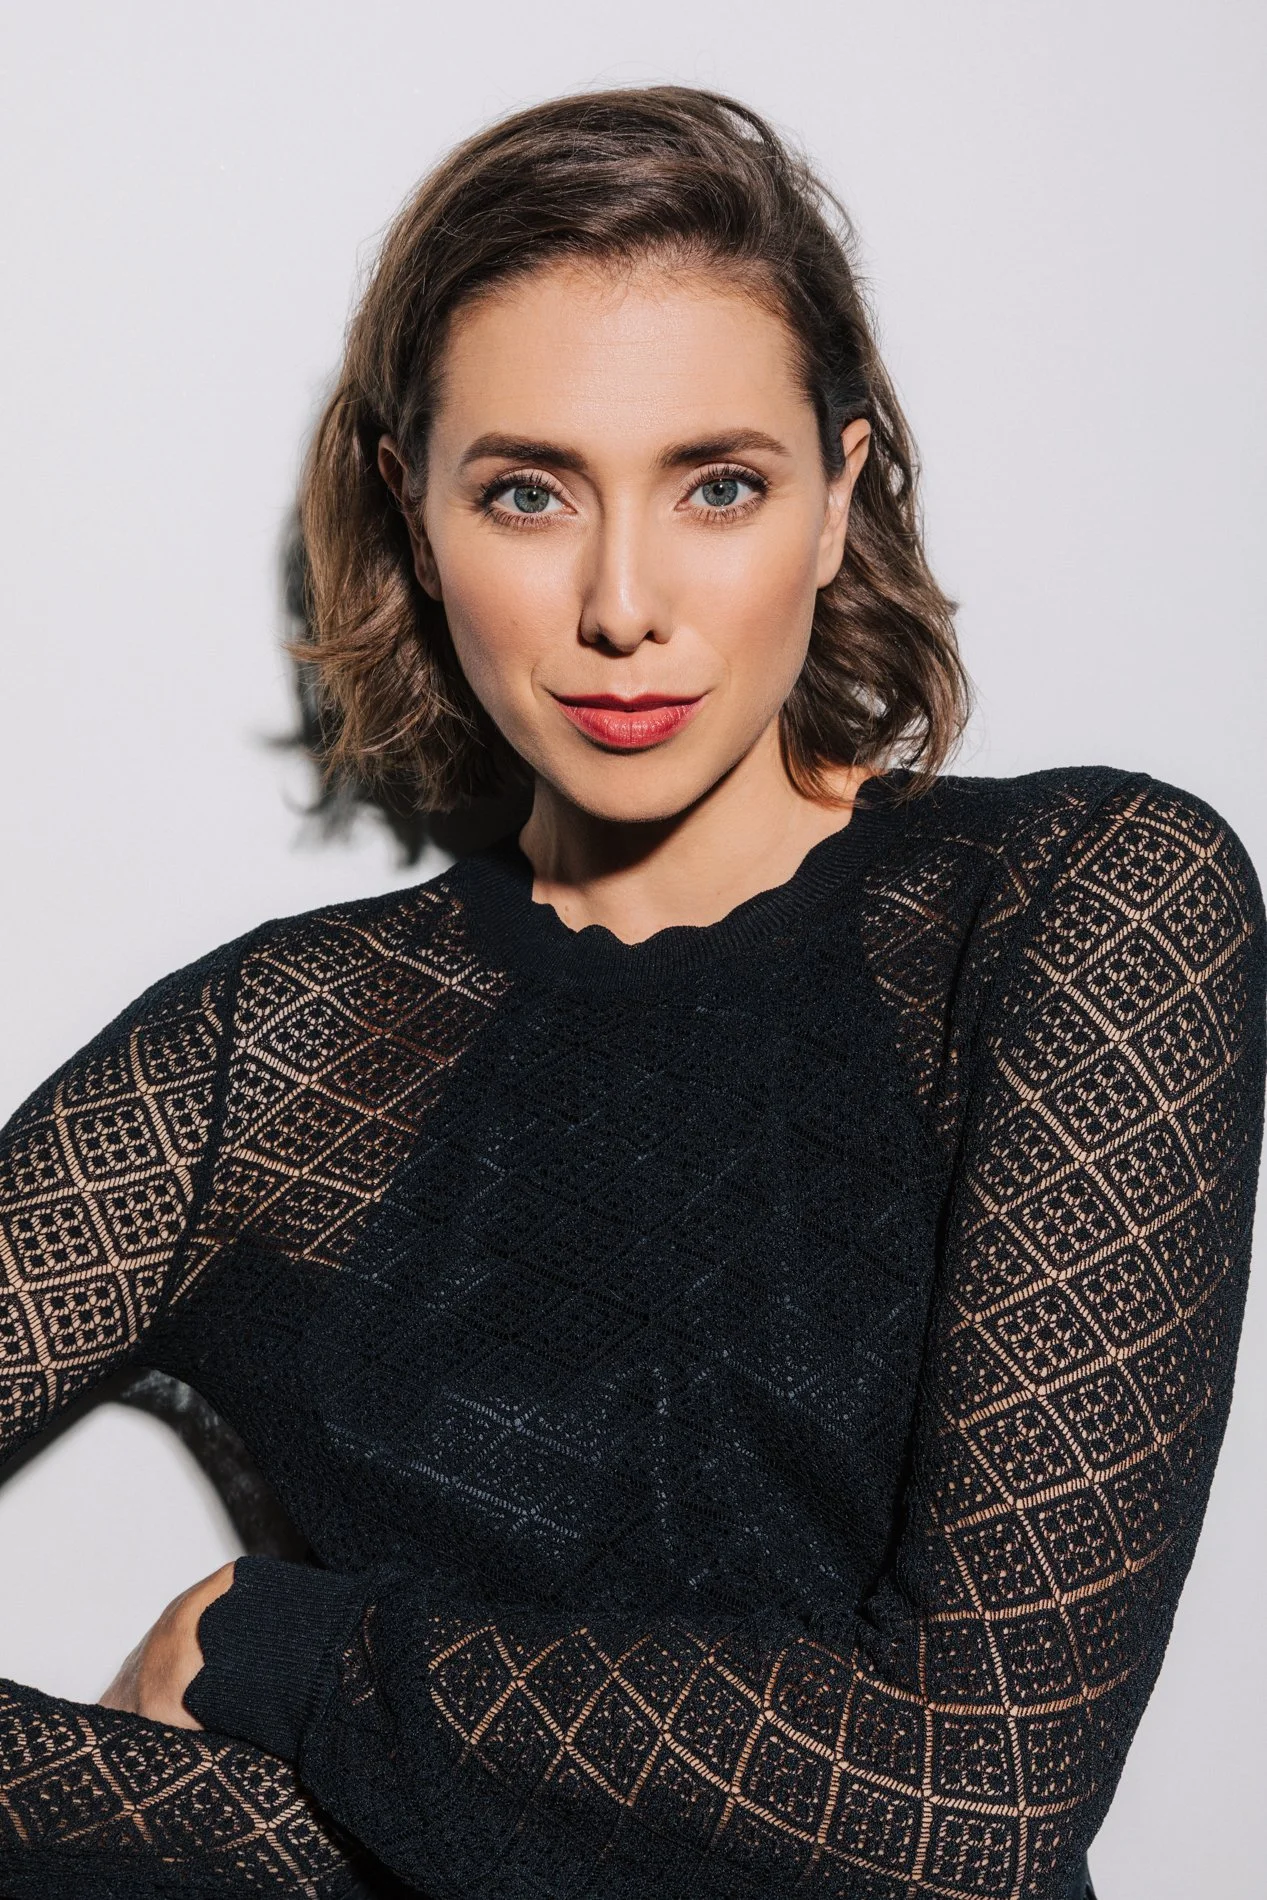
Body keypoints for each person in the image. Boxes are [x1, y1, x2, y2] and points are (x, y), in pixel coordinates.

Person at [0, 85, 1261, 1900]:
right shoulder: (273, 1058)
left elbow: (975, 1805)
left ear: (837, 497)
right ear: (412, 509)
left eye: (716, 486)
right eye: (527, 492)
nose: (620, 604)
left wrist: (289, 1652)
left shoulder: (1077, 906)